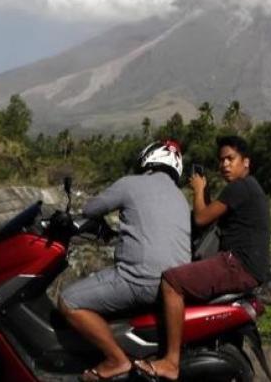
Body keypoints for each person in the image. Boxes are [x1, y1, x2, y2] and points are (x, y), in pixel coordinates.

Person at [136, 135, 271, 381]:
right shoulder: (248, 189)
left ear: (246, 162)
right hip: (244, 266)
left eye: (231, 159)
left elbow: (200, 218)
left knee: (171, 281)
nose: (225, 165)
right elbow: (210, 219)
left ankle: (171, 362)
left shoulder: (240, 187)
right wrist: (206, 194)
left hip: (236, 265)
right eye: (221, 160)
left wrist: (198, 190)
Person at [58, 141, 191, 382]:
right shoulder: (181, 198)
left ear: (148, 159)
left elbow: (90, 209)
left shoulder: (132, 183)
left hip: (139, 279)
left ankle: (115, 359)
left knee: (69, 301)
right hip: (174, 288)